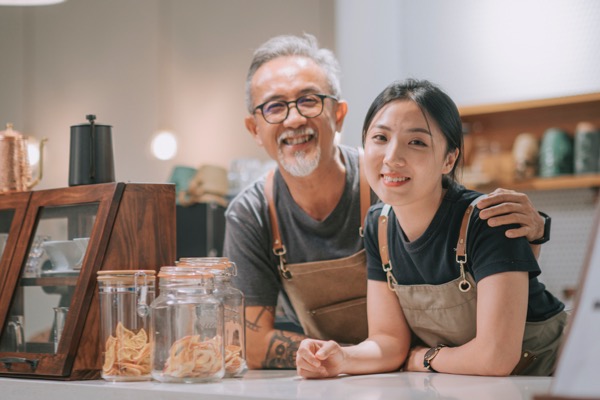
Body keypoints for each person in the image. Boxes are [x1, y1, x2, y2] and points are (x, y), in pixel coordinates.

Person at [224, 34, 551, 370]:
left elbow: (469, 242)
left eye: (309, 100)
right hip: (395, 377)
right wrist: (341, 359)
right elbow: (251, 342)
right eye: (275, 106)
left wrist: (535, 234)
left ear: (339, 115)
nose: (293, 119)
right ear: (253, 127)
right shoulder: (258, 215)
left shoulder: (399, 185)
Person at [295, 79, 567, 378]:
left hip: (558, 378)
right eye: (380, 138)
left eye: (417, 142)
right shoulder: (379, 226)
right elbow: (388, 341)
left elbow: (496, 357)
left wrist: (425, 358)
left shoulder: (488, 219)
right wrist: (341, 358)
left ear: (449, 159)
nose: (391, 157)